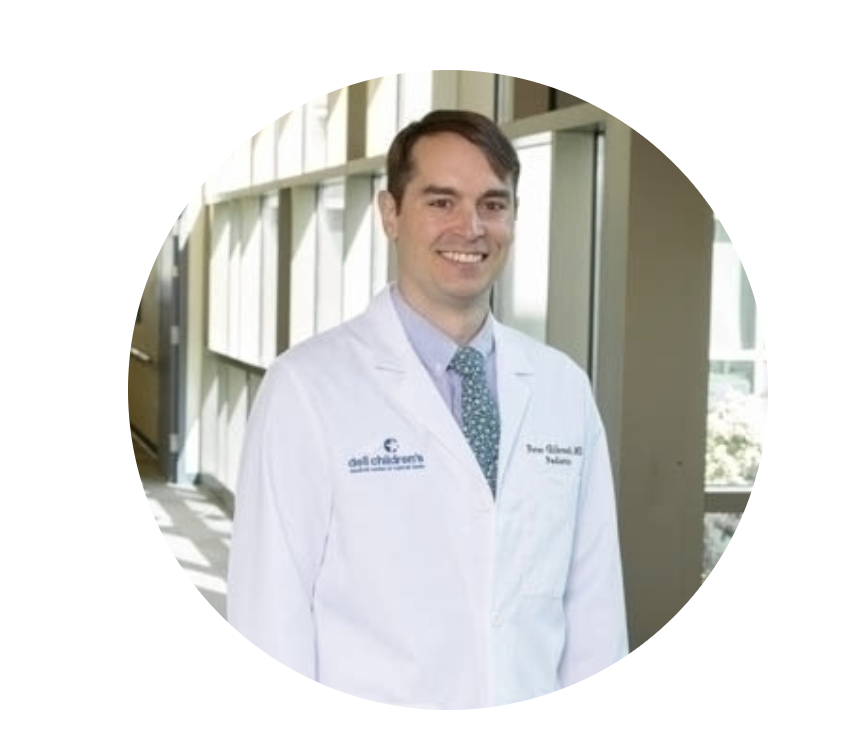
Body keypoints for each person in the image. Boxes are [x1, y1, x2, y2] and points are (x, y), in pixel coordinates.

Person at [227, 109, 627, 709]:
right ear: (390, 214)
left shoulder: (562, 387)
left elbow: (595, 611)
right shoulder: (305, 388)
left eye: (493, 204)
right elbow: (268, 619)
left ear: (514, 217)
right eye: (442, 202)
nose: (471, 227)